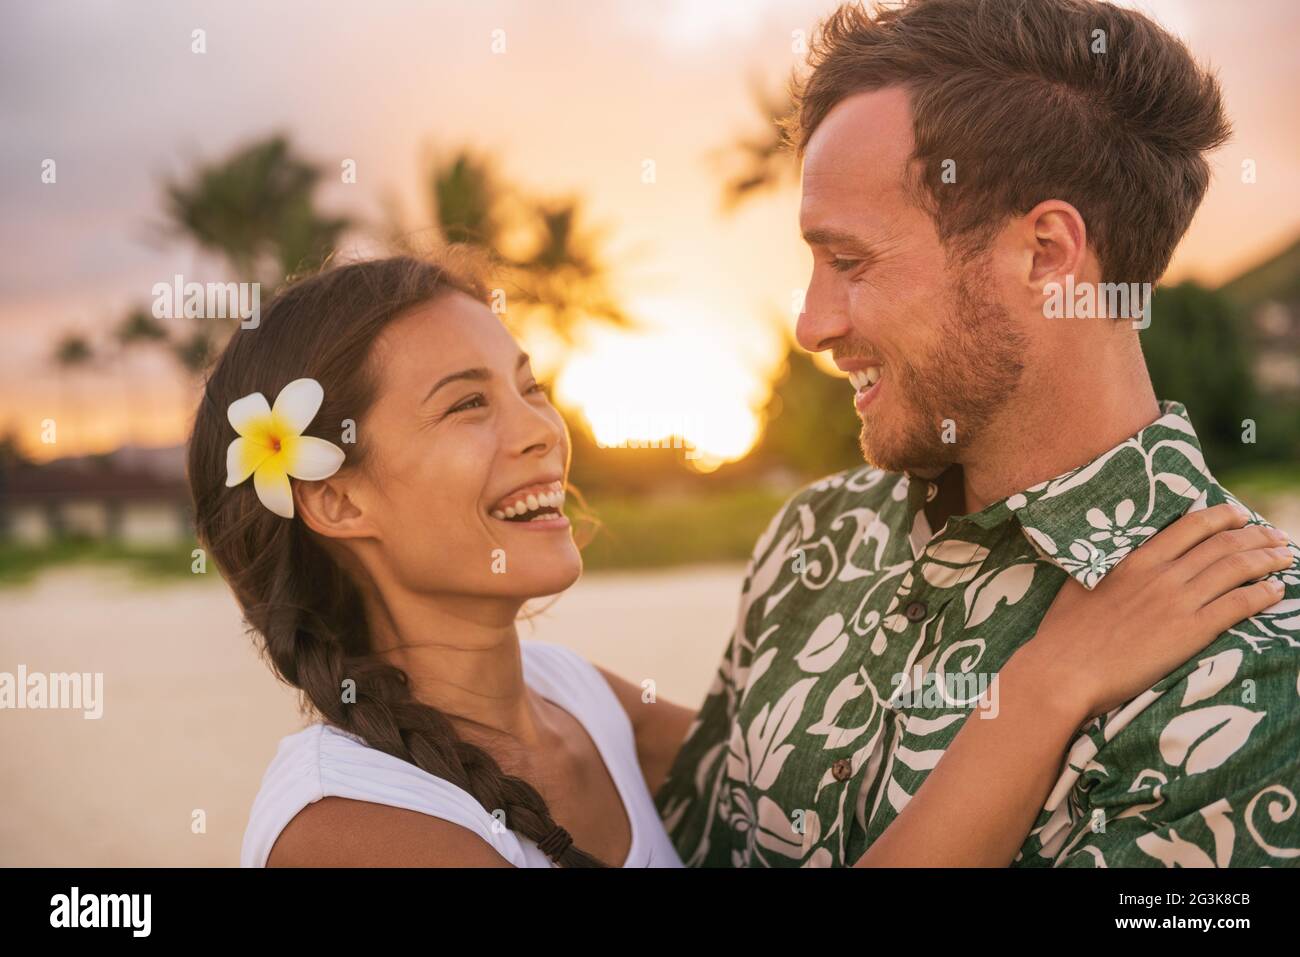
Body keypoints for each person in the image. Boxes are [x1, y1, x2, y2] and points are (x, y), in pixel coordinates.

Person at [188, 253, 1288, 868]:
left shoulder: (579, 704)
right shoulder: (356, 834)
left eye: (527, 383)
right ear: (334, 497)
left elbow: (802, 773)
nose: (538, 429)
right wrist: (1045, 684)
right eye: (467, 405)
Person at [653, 0, 1300, 867]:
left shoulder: (1256, 675)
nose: (811, 325)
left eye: (850, 262)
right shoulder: (813, 539)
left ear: (1045, 254)